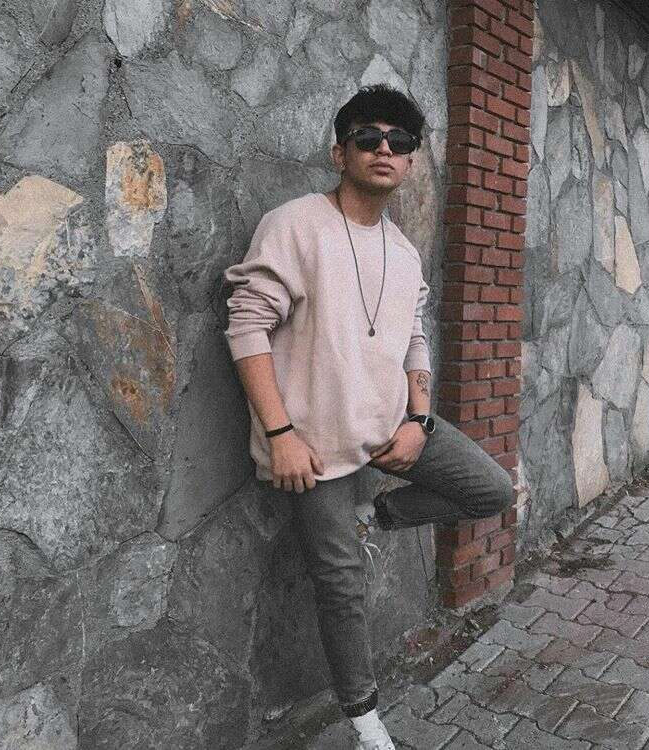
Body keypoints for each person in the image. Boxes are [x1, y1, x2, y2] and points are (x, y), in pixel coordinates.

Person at [223, 84, 514, 750]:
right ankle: (364, 719)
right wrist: (280, 434)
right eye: (368, 137)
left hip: (393, 430)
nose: (384, 148)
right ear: (340, 151)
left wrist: (419, 419)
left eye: (400, 141)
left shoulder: (405, 251)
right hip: (313, 447)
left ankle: (374, 517)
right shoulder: (296, 224)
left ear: (410, 161)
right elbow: (246, 326)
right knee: (342, 584)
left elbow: (413, 337)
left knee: (492, 490)